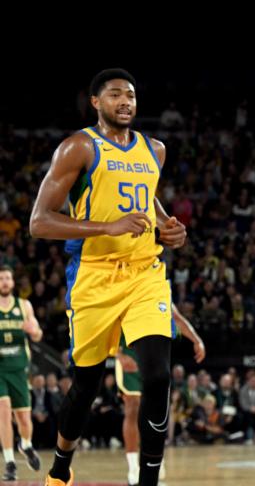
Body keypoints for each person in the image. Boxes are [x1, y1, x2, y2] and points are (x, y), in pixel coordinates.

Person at [30, 69, 187, 486]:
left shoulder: (155, 150)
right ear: (96, 102)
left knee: (157, 375)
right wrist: (106, 226)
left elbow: (147, 196)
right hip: (94, 279)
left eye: (131, 95)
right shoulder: (77, 147)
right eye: (116, 94)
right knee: (85, 385)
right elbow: (39, 222)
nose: (126, 101)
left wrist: (169, 226)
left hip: (144, 276)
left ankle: (148, 481)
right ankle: (61, 466)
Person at [115, 304, 204, 485]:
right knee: (132, 407)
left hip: (154, 355)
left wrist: (196, 340)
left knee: (154, 408)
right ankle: (133, 468)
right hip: (129, 353)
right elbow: (109, 323)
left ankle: (151, 461)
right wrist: (118, 355)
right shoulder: (125, 283)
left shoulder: (160, 287)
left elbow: (177, 317)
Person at [0, 267, 43, 480]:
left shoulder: (24, 306)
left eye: (8, 278)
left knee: (24, 420)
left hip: (18, 368)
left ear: (13, 282)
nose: (5, 282)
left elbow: (38, 335)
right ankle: (9, 462)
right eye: (1, 279)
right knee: (4, 411)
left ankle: (25, 445)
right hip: (0, 369)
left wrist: (33, 331)